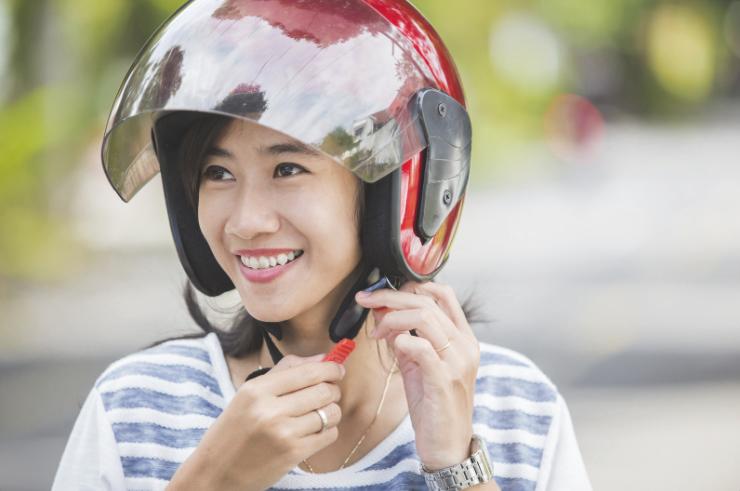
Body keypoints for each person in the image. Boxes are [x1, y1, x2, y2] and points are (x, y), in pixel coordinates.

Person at [52, 0, 592, 490]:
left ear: (396, 193)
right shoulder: (135, 411)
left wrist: (456, 469)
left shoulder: (518, 411)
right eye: (218, 172)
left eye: (287, 168)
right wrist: (214, 479)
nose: (246, 221)